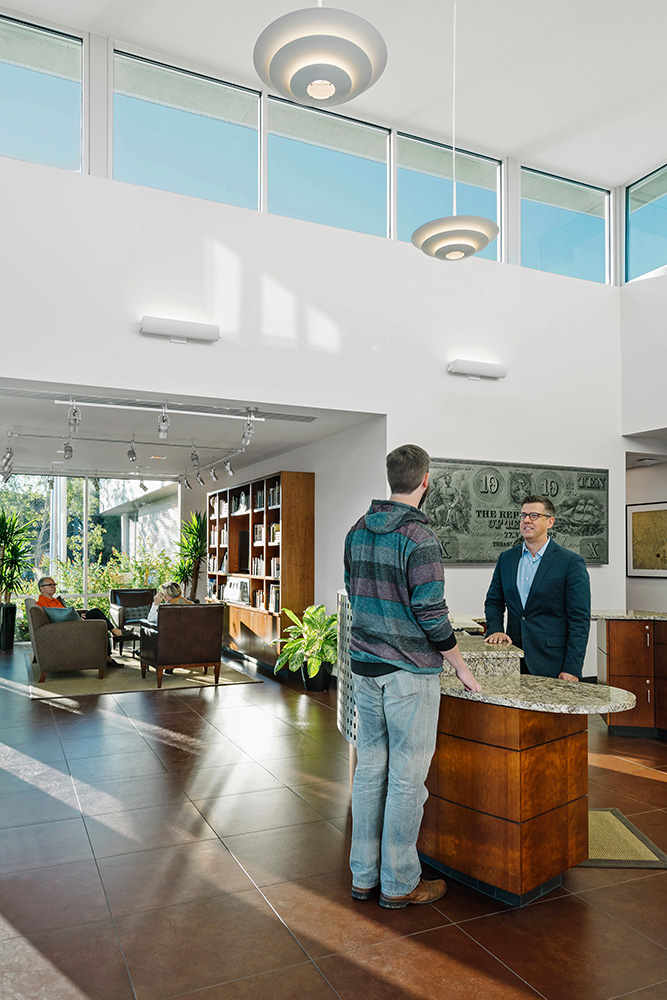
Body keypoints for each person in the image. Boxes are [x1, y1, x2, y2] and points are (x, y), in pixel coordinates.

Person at [344, 444, 482, 910]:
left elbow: (355, 592)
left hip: (365, 668)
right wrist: (460, 665)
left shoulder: (357, 531)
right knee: (406, 779)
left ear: (392, 478)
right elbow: (430, 612)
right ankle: (400, 882)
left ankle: (363, 876)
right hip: (408, 675)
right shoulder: (420, 538)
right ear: (425, 481)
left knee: (369, 774)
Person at [483, 495, 591, 680]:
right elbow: (494, 601)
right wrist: (496, 629)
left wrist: (572, 668)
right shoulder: (507, 558)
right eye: (523, 515)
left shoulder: (570, 562)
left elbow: (579, 620)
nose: (526, 520)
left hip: (552, 662)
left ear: (550, 522)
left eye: (534, 515)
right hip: (513, 658)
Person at [35, 576, 131, 665]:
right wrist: (76, 618)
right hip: (68, 628)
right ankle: (115, 633)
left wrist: (78, 615)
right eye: (49, 585)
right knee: (96, 614)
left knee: (100, 621)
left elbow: (63, 613)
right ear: (41, 588)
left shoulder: (54, 600)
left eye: (54, 584)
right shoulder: (41, 604)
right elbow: (56, 619)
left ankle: (108, 656)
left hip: (72, 622)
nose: (53, 587)